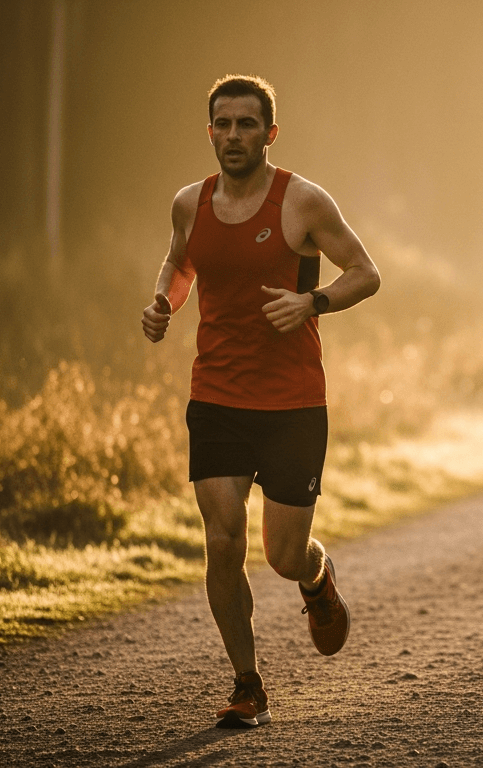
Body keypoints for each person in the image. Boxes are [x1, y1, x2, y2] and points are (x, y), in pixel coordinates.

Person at [141, 74, 381, 728]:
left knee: (280, 554)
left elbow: (365, 271)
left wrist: (313, 301)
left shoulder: (302, 202)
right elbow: (180, 264)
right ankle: (248, 684)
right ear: (210, 131)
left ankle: (315, 577)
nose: (234, 136)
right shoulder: (190, 204)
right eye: (223, 124)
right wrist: (165, 301)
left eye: (248, 125)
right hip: (216, 396)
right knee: (222, 541)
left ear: (269, 134)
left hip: (293, 402)